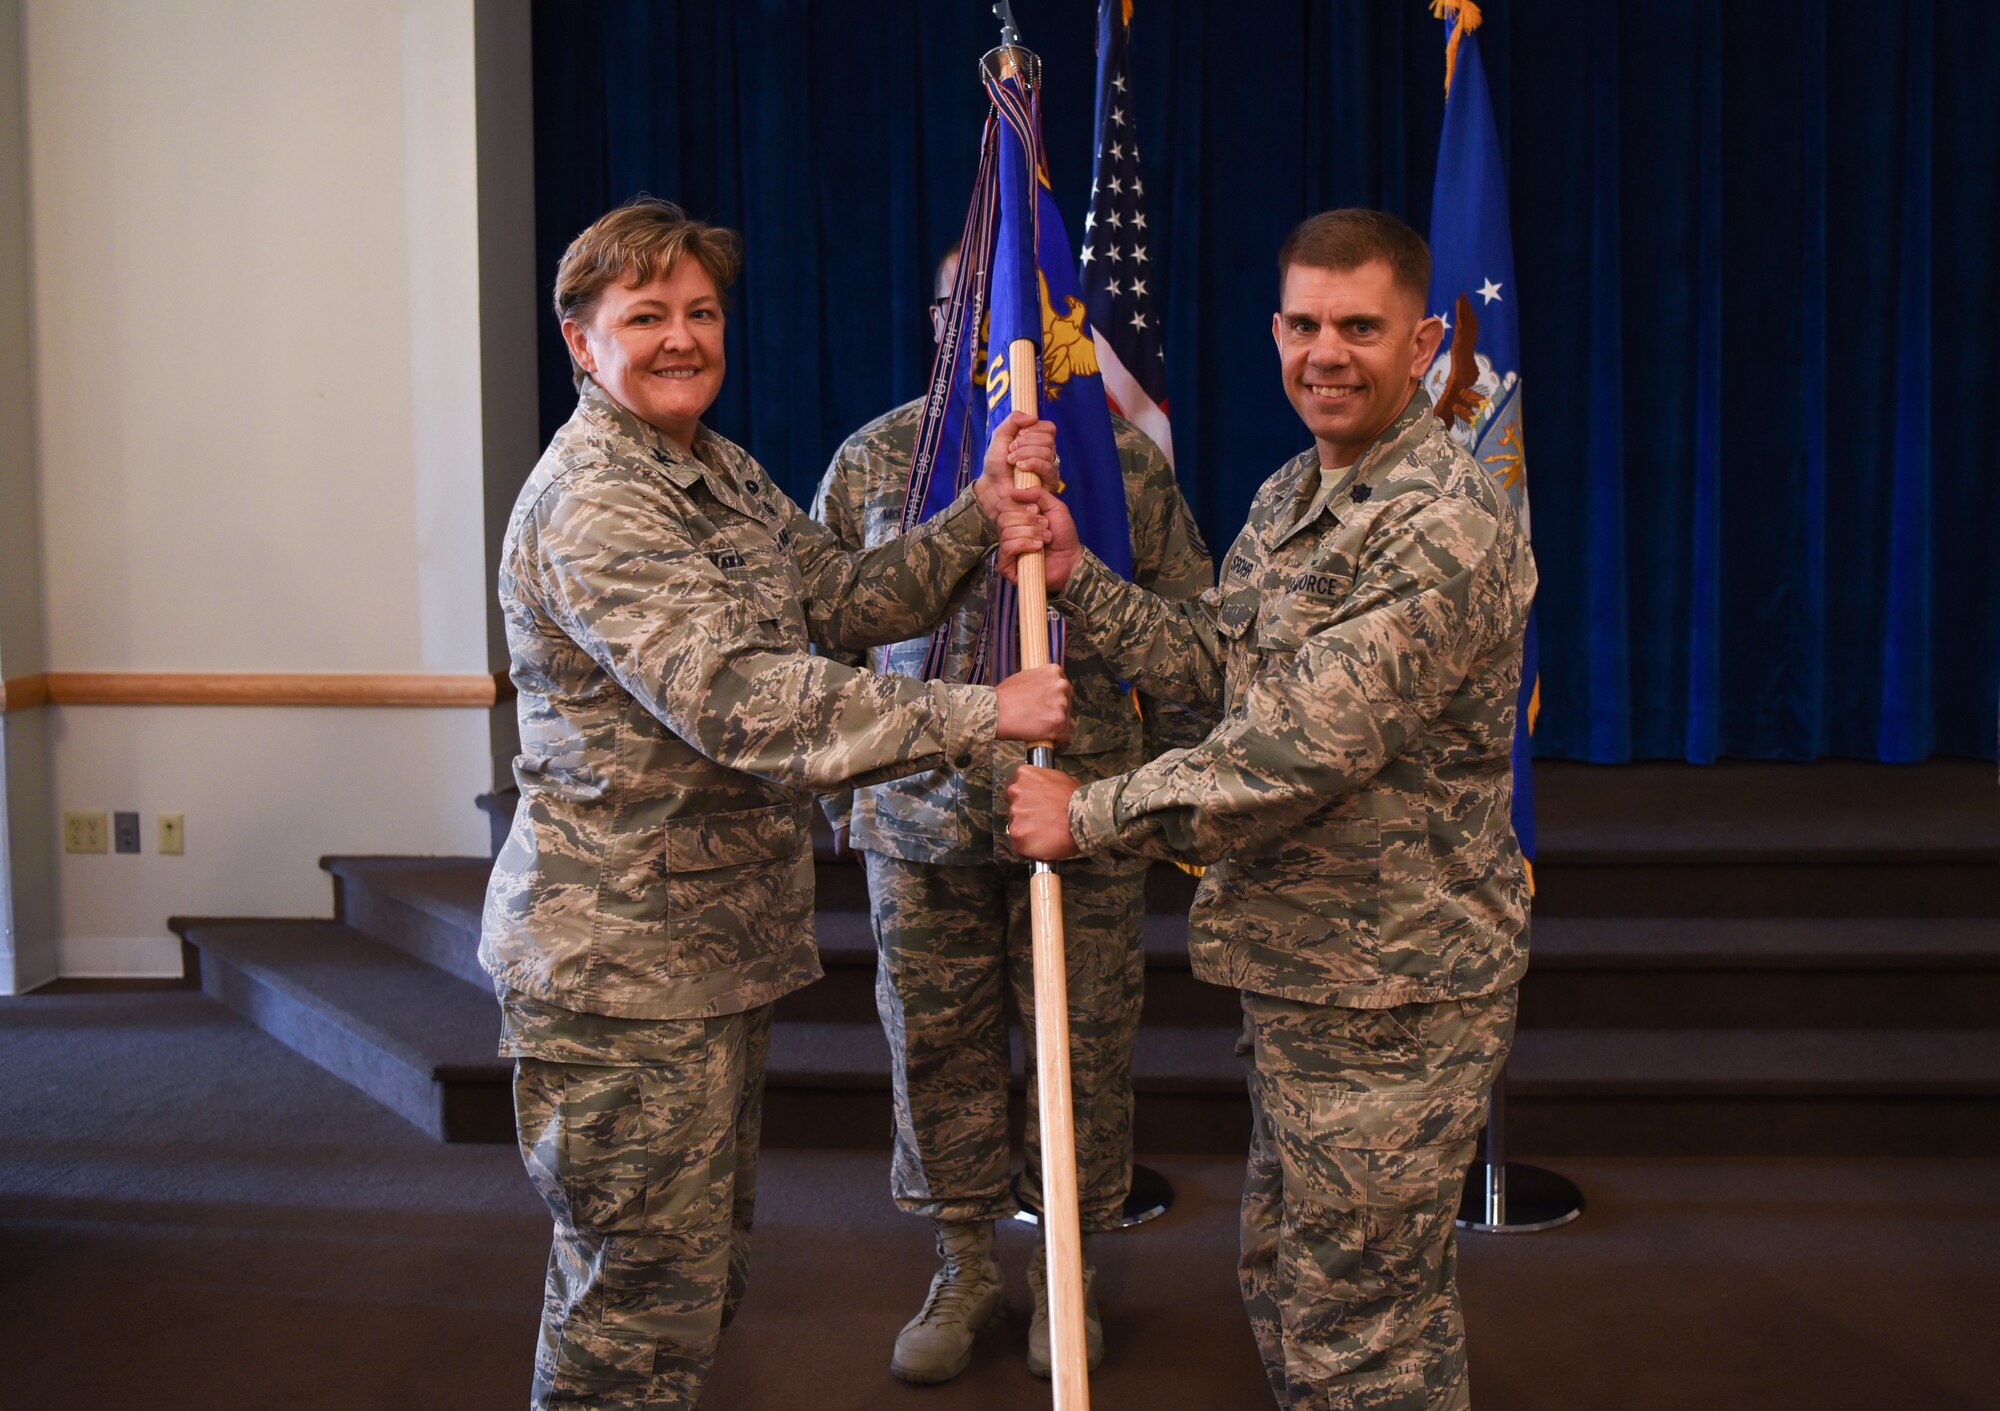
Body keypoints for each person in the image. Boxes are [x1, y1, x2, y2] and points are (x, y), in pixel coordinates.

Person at [479, 197, 1073, 1411]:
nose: (684, 337)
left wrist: (977, 516)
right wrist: (978, 714)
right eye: (646, 316)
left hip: (703, 956)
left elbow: (844, 597)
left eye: (700, 311)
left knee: (688, 1286)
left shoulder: (714, 469)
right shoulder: (597, 499)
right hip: (618, 972)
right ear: (580, 340)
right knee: (631, 1310)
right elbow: (738, 699)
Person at [1001, 208, 1535, 1410]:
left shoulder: (1440, 523)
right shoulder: (1295, 491)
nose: (1324, 353)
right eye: (1302, 324)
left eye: (1359, 327)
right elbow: (1223, 666)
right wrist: (1083, 578)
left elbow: (1300, 746)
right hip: (1307, 976)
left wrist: (1086, 814)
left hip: (1393, 991)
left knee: (1360, 1335)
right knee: (1297, 1291)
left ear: (1426, 340)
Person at [809, 245, 1214, 1384]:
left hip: (1079, 808)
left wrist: (1152, 803)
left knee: (1078, 1051)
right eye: (969, 316)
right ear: (937, 324)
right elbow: (817, 641)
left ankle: (1062, 1267)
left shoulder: (1116, 460)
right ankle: (961, 1264)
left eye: (1016, 322)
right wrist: (854, 795)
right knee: (935, 1047)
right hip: (918, 817)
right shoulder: (875, 460)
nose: (994, 344)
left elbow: (1202, 641)